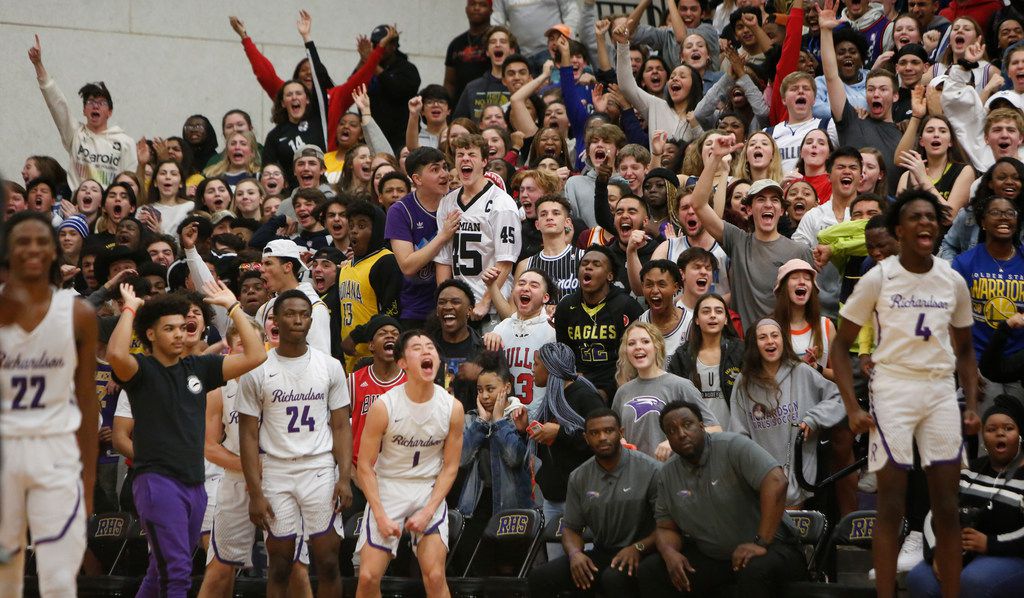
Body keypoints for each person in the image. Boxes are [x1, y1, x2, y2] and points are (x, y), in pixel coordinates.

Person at [831, 189, 980, 598]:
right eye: (915, 217)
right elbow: (839, 347)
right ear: (899, 229)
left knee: (947, 506)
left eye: (931, 217)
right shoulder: (878, 277)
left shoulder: (952, 278)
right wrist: (851, 406)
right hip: (893, 388)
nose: (926, 223)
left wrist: (972, 403)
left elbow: (966, 350)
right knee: (891, 506)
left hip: (939, 390)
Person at [107, 279, 266, 597]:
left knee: (158, 573)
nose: (179, 334)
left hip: (196, 485)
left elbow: (256, 355)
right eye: (169, 329)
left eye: (182, 327)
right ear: (151, 334)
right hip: (157, 483)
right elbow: (114, 352)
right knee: (177, 573)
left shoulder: (200, 367)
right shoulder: (141, 371)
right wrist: (130, 308)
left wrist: (233, 307)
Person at [0, 212, 99, 597]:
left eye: (42, 240)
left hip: (56, 451)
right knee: (6, 581)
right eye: (22, 241)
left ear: (55, 251)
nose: (33, 248)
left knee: (59, 580)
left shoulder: (77, 314)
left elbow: (88, 403)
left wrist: (88, 483)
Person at [237, 289, 351, 598]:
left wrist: (344, 477)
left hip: (319, 468)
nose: (298, 320)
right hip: (276, 470)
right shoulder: (256, 369)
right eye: (290, 314)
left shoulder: (330, 366)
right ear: (275, 320)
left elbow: (341, 425)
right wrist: (255, 492)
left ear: (311, 320)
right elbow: (246, 434)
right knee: (280, 565)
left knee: (328, 562)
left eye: (304, 314)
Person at [636, 401, 806, 597]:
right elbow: (666, 527)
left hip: (774, 548)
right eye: (672, 430)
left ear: (701, 426)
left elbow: (777, 481)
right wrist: (669, 554)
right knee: (652, 570)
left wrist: (760, 543)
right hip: (718, 558)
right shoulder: (667, 474)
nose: (681, 433)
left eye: (687, 424)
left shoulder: (732, 446)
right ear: (667, 438)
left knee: (754, 570)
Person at [196, 319, 313, 598]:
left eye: (254, 344)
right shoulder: (218, 389)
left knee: (294, 567)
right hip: (236, 479)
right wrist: (249, 469)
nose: (249, 352)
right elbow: (209, 446)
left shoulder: (281, 382)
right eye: (241, 345)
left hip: (280, 478)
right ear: (229, 350)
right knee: (219, 568)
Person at [354, 330, 465, 598]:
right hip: (388, 486)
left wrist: (427, 511)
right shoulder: (384, 406)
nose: (426, 352)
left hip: (427, 488)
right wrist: (379, 514)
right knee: (368, 577)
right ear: (403, 362)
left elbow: (450, 467)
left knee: (436, 575)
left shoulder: (452, 408)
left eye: (430, 347)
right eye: (416, 348)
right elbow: (365, 466)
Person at [527, 408, 661, 597]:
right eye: (594, 433)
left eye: (609, 431)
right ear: (586, 438)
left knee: (612, 579)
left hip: (644, 552)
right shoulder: (579, 476)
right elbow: (571, 529)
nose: (602, 437)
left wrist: (638, 548)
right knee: (540, 577)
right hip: (604, 552)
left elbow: (666, 526)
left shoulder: (651, 469)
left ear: (620, 433)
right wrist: (575, 554)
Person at [691, 133, 814, 330]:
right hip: (745, 350)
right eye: (760, 199)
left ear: (782, 211)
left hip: (783, 347)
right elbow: (698, 204)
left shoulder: (800, 252)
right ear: (748, 210)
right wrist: (715, 158)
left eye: (774, 200)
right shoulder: (737, 241)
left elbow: (811, 307)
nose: (768, 205)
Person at [905, 395, 1024, 597]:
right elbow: (934, 514)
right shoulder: (969, 471)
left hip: (1012, 554)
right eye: (991, 429)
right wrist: (937, 551)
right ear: (983, 438)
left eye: (1008, 428)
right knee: (920, 579)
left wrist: (990, 543)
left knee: (974, 580)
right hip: (960, 551)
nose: (1000, 434)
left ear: (1020, 435)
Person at [729, 318, 845, 507]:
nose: (770, 341)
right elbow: (738, 432)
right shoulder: (743, 382)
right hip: (762, 478)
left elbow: (838, 397)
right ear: (754, 344)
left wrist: (814, 418)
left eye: (775, 336)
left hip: (801, 472)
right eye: (763, 337)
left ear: (783, 340)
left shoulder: (801, 371)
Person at [28, 35, 137, 188]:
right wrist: (38, 64)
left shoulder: (125, 142)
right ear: (84, 110)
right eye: (91, 102)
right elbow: (57, 104)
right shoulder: (75, 134)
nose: (96, 106)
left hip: (110, 208)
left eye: (101, 103)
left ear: (110, 112)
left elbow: (131, 182)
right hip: (77, 207)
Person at [434, 134, 521, 325]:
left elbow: (505, 262)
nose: (465, 158)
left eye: (471, 154)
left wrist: (485, 301)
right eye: (460, 154)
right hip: (458, 305)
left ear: (484, 161)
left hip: (491, 308)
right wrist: (444, 299)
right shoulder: (447, 203)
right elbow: (443, 260)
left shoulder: (502, 203)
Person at [530, 342, 605, 558]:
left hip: (583, 499)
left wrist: (561, 433)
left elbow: (603, 439)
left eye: (536, 364)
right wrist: (523, 429)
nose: (532, 369)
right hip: (553, 498)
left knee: (587, 566)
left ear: (550, 367)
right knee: (556, 567)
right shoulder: (550, 399)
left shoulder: (585, 395)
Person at [820, 0, 903, 194]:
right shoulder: (850, 119)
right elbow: (832, 76)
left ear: (896, 96)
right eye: (871, 89)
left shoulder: (905, 133)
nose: (875, 93)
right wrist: (825, 31)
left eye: (883, 89)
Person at [951, 191, 1024, 401]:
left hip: (1020, 363)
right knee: (992, 430)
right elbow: (953, 321)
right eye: (995, 213)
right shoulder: (964, 263)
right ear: (983, 222)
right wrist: (965, 365)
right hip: (980, 365)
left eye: (1010, 213)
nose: (1003, 217)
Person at [612, 321, 720, 460]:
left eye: (645, 341)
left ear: (657, 347)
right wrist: (619, 441)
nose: (638, 347)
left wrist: (673, 441)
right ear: (626, 351)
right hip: (634, 473)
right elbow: (615, 432)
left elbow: (715, 429)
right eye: (631, 343)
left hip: (672, 472)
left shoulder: (681, 386)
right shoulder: (623, 392)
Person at [554, 245, 644, 401]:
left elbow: (632, 357)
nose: (588, 267)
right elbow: (564, 354)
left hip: (616, 381)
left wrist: (609, 390)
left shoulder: (626, 306)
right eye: (584, 264)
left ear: (609, 276)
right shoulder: (566, 306)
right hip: (579, 381)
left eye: (596, 264)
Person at [387, 147, 458, 329]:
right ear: (417, 179)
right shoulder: (400, 211)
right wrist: (442, 236)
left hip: (457, 304)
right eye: (435, 170)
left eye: (444, 167)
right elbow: (407, 265)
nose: (444, 174)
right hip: (416, 309)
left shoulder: (457, 202)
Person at [348, 316, 407, 518]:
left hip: (400, 477)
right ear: (371, 345)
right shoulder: (354, 381)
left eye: (395, 334)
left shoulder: (413, 381)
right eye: (383, 333)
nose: (390, 336)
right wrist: (351, 473)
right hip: (359, 477)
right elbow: (338, 428)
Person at [337, 200, 401, 373]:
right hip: (349, 360)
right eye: (351, 226)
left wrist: (358, 335)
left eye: (362, 225)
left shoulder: (386, 261)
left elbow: (391, 312)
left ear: (377, 230)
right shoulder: (345, 268)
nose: (354, 231)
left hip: (377, 360)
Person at [483, 268, 556, 414]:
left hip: (540, 418)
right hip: (504, 418)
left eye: (534, 285)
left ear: (545, 298)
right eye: (521, 283)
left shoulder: (553, 329)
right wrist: (487, 340)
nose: (526, 288)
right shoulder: (501, 328)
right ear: (513, 292)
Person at [667, 293, 745, 430]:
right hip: (696, 437)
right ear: (696, 319)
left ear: (726, 319)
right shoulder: (682, 356)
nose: (713, 315)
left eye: (719, 311)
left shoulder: (741, 351)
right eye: (706, 311)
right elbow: (673, 399)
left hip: (735, 436)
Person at [255, 239, 332, 356]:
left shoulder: (314, 307)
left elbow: (322, 359)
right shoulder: (265, 309)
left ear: (287, 267)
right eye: (262, 264)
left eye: (268, 263)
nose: (261, 269)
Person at [444, 0, 493, 102]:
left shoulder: (498, 41)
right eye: (473, 4)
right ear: (466, 9)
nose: (477, 8)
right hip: (461, 106)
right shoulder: (456, 43)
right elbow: (449, 82)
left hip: (490, 105)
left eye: (483, 5)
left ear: (491, 10)